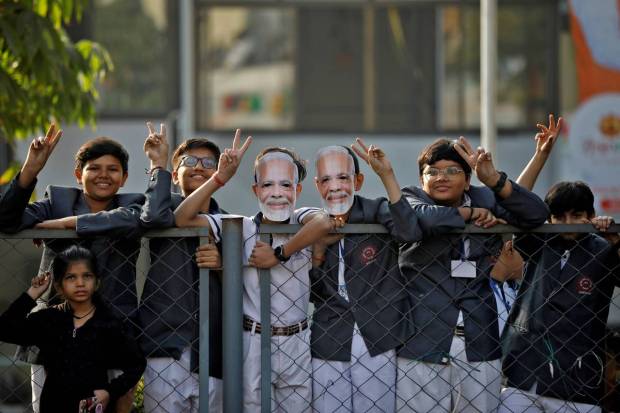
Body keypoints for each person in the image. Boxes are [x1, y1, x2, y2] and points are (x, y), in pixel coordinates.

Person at [0, 122, 171, 412]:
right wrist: (31, 170)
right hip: (56, 330)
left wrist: (159, 164)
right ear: (79, 174)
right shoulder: (58, 200)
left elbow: (151, 218)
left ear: (124, 177)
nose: (103, 174)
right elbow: (6, 220)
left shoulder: (132, 204)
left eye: (112, 169)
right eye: (94, 168)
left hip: (114, 328)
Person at [174, 135, 338, 412]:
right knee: (252, 406)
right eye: (267, 184)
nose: (277, 192)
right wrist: (220, 179)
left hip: (297, 338)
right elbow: (182, 218)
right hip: (253, 338)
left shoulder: (301, 220)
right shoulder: (242, 227)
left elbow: (326, 221)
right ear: (255, 190)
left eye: (286, 184)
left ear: (297, 188)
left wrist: (279, 254)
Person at [391, 137, 549, 412]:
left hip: (480, 338)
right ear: (422, 178)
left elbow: (536, 214)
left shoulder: (485, 195)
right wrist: (472, 213)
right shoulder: (410, 198)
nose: (441, 177)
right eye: (433, 171)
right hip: (422, 340)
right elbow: (428, 219)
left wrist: (494, 181)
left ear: (467, 179)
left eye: (452, 171)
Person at [309, 142, 421, 412]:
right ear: (317, 185)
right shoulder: (312, 223)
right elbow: (314, 292)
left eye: (343, 177)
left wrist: (387, 176)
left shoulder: (376, 210)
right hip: (330, 336)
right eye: (326, 179)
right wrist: (318, 252)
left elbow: (410, 233)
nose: (335, 186)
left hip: (377, 335)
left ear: (358, 181)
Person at [500, 182, 620, 413]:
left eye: (576, 216)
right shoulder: (539, 240)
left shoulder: (603, 248)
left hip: (577, 377)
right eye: (559, 216)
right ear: (549, 218)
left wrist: (616, 241)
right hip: (525, 370)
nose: (567, 223)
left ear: (591, 216)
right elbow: (516, 205)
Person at [139, 134, 227, 412]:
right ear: (175, 174)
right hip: (165, 345)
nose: (200, 167)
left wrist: (224, 264)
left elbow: (246, 287)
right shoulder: (160, 213)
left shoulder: (231, 224)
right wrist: (158, 164)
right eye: (190, 161)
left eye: (208, 162)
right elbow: (152, 215)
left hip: (213, 349)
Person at [0, 245, 146, 413]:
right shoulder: (49, 320)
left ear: (97, 282)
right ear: (59, 286)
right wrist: (32, 294)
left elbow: (136, 365)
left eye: (87, 276)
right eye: (71, 277)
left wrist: (109, 392)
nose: (80, 283)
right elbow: (4, 329)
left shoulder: (109, 323)